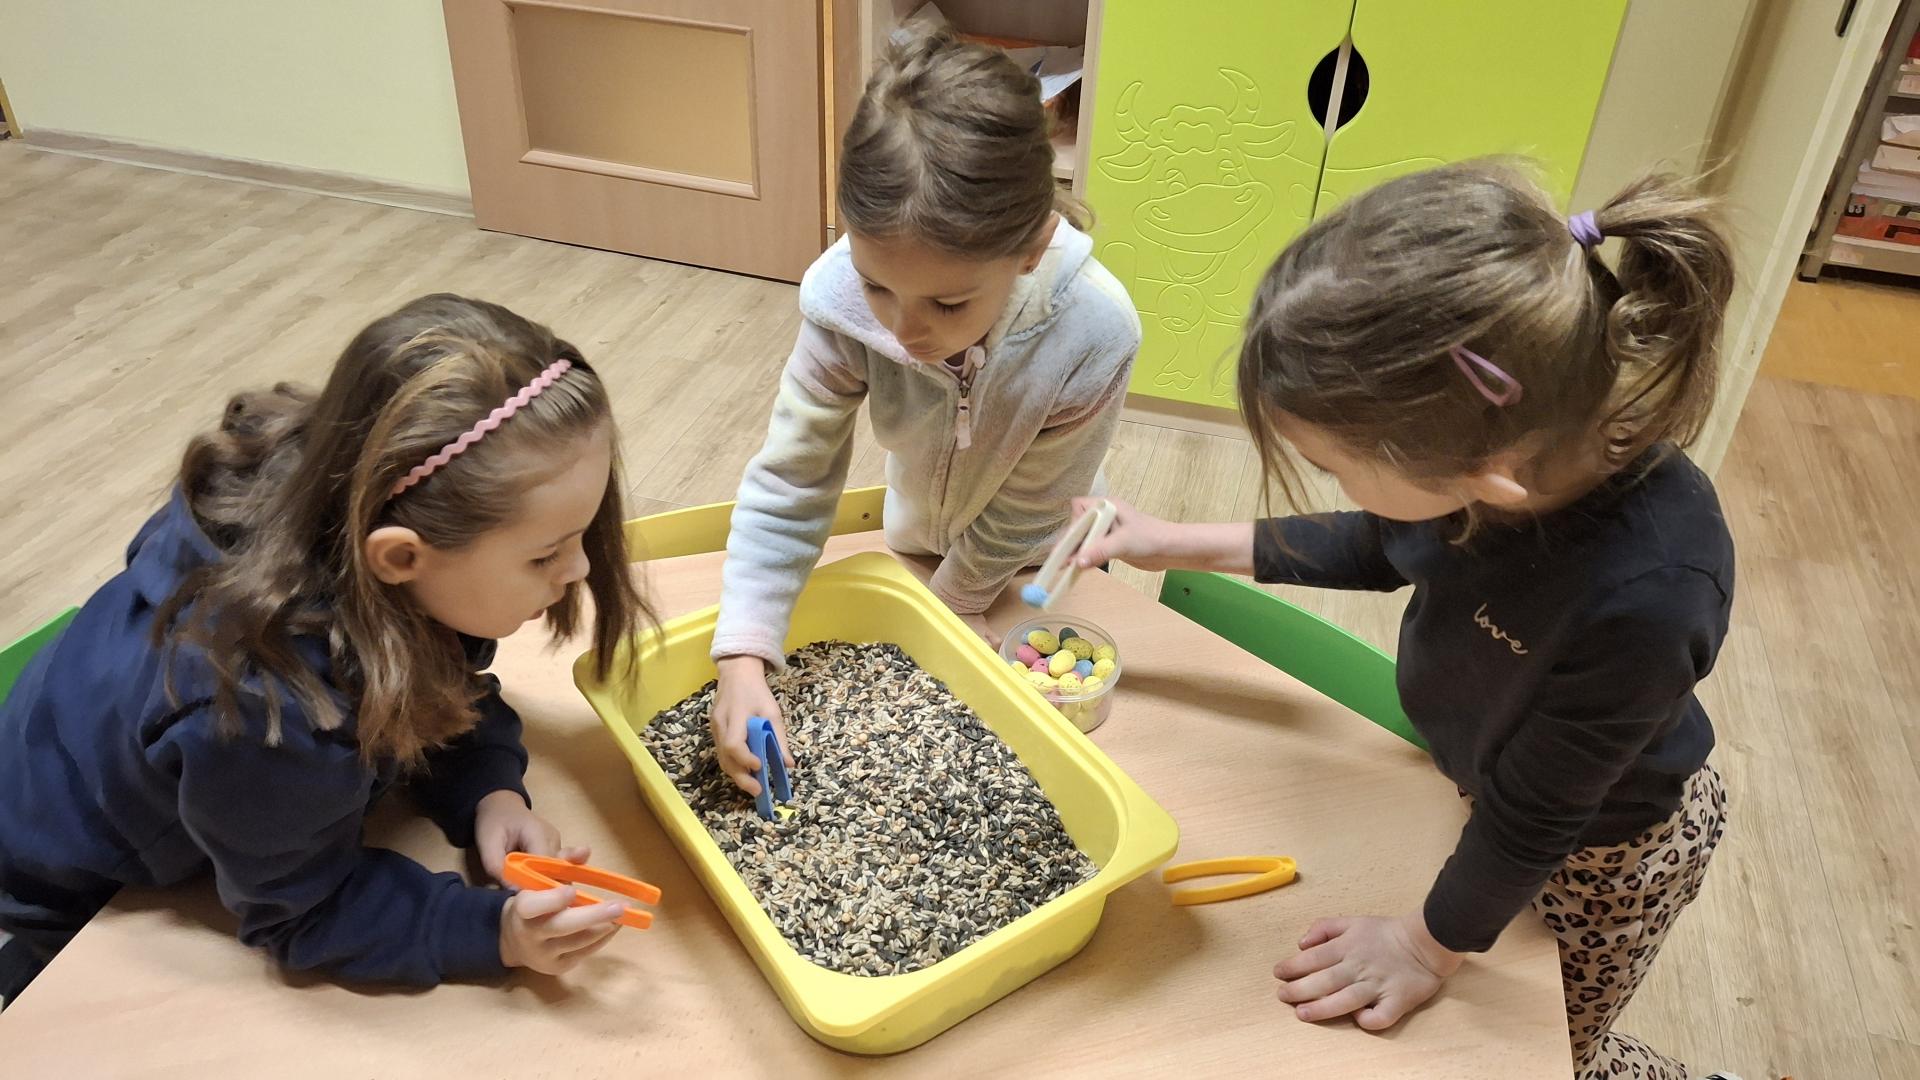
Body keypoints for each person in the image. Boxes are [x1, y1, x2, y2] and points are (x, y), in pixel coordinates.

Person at [1080, 163, 1738, 1080]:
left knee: (1551, 1046)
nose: (1337, 487)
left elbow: (1535, 819)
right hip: (1487, 778)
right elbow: (1382, 542)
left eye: (1336, 466)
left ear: (1483, 473)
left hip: (1605, 850)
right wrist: (1172, 541)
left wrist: (1425, 950)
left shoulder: (1650, 595)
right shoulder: (1509, 460)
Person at [0, 294, 652, 1005]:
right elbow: (301, 909)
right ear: (400, 557)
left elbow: (440, 685)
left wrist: (486, 789)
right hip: (58, 886)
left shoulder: (364, 508)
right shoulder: (263, 710)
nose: (579, 570)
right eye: (546, 555)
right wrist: (491, 934)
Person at [707, 30, 1141, 794]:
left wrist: (953, 607)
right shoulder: (840, 304)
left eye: (948, 303)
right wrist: (742, 655)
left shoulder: (1094, 330)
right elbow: (791, 482)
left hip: (1039, 560)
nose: (903, 331)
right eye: (877, 285)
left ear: (1032, 248)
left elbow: (1032, 505)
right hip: (914, 539)